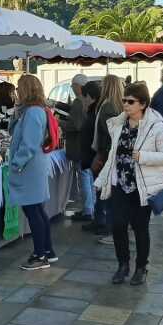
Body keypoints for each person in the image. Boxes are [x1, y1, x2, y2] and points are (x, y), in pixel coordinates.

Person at [95, 82, 163, 286]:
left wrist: (143, 156)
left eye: (131, 101)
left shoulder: (157, 128)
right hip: (120, 184)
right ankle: (123, 265)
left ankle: (141, 267)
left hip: (143, 187)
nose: (126, 105)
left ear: (143, 104)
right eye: (124, 100)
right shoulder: (117, 125)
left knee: (140, 228)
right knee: (118, 226)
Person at [9, 74, 56, 271]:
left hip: (29, 167)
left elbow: (28, 144)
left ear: (26, 90)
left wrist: (16, 164)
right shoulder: (32, 111)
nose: (16, 92)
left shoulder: (33, 113)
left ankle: (40, 255)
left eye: (19, 88)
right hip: (33, 166)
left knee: (33, 211)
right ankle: (47, 251)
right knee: (37, 210)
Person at [83, 75, 124, 243]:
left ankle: (111, 230)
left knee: (106, 192)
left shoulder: (108, 107)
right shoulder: (118, 105)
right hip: (111, 154)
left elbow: (110, 133)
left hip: (107, 154)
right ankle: (105, 224)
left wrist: (103, 153)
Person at [56, 74, 88, 220]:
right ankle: (89, 208)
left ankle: (88, 210)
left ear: (77, 86)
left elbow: (75, 125)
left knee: (84, 178)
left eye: (72, 86)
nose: (72, 88)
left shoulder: (78, 101)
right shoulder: (87, 100)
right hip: (84, 145)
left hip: (78, 145)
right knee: (86, 177)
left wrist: (59, 122)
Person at [77, 81, 101, 224]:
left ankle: (95, 216)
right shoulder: (95, 110)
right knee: (94, 185)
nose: (83, 101)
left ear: (90, 96)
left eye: (84, 97)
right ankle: (94, 215)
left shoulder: (95, 112)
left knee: (93, 184)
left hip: (93, 156)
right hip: (92, 156)